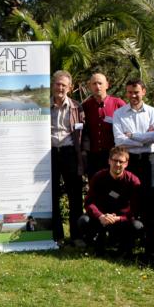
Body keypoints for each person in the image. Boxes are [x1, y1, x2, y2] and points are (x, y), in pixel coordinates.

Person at [78, 146, 143, 256]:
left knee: (137, 226)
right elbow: (89, 202)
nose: (117, 164)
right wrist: (100, 216)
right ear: (109, 161)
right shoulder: (98, 177)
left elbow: (136, 209)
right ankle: (94, 242)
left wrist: (119, 218)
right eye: (114, 160)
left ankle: (121, 244)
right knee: (84, 221)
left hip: (122, 219)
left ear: (126, 163)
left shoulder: (133, 181)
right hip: (102, 217)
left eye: (121, 161)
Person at [48, 71, 85, 246]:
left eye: (64, 85)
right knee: (52, 195)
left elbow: (83, 133)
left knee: (75, 196)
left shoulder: (77, 107)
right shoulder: (43, 106)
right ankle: (58, 236)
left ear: (70, 88)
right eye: (57, 84)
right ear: (52, 85)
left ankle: (77, 236)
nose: (60, 88)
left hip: (70, 153)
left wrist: (82, 158)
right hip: (50, 154)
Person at [112, 79, 154, 189]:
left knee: (149, 192)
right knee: (129, 192)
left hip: (148, 159)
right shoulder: (119, 114)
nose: (133, 95)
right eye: (130, 92)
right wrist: (144, 141)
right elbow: (119, 141)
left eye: (136, 92)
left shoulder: (152, 112)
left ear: (143, 91)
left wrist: (133, 135)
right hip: (128, 159)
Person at [82, 72, 126, 178]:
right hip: (93, 156)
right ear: (90, 87)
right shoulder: (85, 106)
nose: (97, 86)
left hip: (114, 156)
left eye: (100, 83)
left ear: (107, 85)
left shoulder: (118, 104)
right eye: (94, 84)